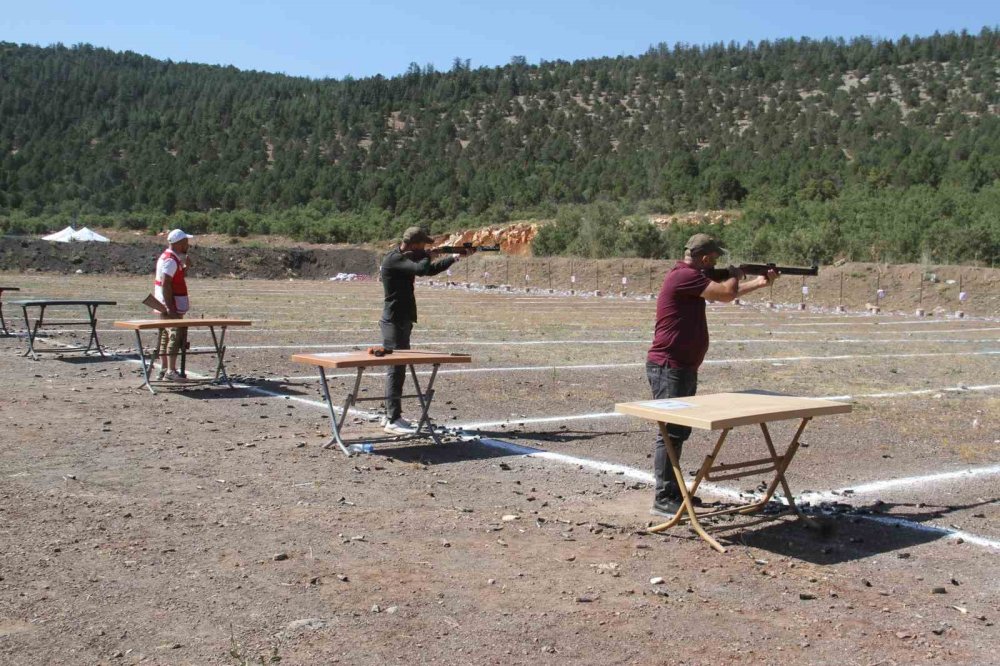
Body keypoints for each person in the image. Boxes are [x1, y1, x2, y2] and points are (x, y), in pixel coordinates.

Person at [646, 233, 777, 516]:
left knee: (678, 431)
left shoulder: (691, 278)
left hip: (680, 366)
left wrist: (757, 282)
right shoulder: (683, 276)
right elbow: (727, 293)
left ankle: (672, 492)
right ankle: (664, 496)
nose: (717, 263)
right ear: (705, 259)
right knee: (671, 432)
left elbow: (722, 295)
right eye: (715, 259)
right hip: (669, 366)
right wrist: (733, 274)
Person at [380, 227, 472, 434]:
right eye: (423, 245)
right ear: (414, 245)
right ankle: (392, 418)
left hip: (402, 319)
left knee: (399, 367)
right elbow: (422, 269)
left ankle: (392, 415)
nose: (426, 248)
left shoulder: (405, 259)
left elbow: (428, 270)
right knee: (396, 367)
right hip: (394, 320)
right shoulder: (394, 259)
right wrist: (429, 256)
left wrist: (455, 257)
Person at [153, 229, 194, 381]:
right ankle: (170, 371)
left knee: (165, 335)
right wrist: (171, 308)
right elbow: (166, 284)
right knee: (174, 335)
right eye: (186, 242)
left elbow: (174, 279)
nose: (187, 245)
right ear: (180, 243)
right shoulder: (170, 260)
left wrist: (185, 268)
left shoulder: (170, 258)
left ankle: (164, 369)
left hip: (165, 303)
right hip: (169, 304)